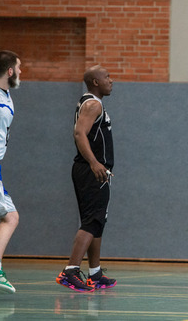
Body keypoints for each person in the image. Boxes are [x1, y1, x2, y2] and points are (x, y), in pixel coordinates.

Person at [56, 65, 116, 292]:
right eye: (107, 77)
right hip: (91, 170)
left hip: (94, 170)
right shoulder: (93, 104)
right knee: (92, 221)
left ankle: (95, 273)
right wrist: (94, 162)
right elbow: (79, 133)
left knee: (96, 221)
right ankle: (70, 271)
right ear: (95, 82)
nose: (111, 80)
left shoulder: (91, 103)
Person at [0, 50, 22, 294]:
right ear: (10, 71)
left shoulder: (4, 95)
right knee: (8, 217)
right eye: (19, 67)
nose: (21, 72)